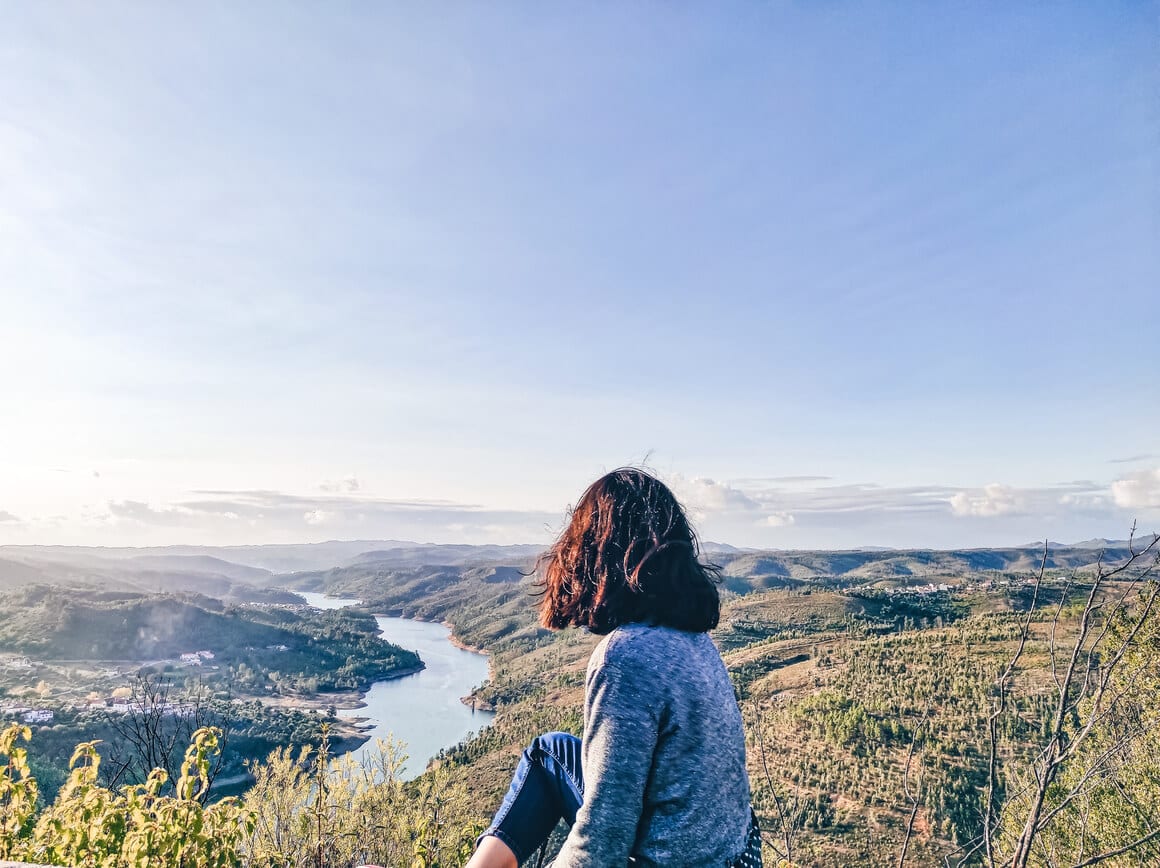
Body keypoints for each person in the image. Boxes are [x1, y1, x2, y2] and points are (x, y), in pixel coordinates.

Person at [465, 468, 760, 868]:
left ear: (595, 553)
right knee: (551, 752)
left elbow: (602, 844)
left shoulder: (626, 658)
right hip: (734, 857)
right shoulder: (694, 640)